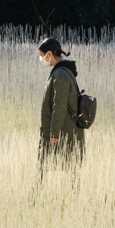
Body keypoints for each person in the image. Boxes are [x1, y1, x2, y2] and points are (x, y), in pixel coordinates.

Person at [38, 36, 85, 167]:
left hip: (63, 134)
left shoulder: (61, 75)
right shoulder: (62, 72)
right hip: (63, 132)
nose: (41, 59)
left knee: (50, 170)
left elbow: (59, 106)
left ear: (50, 54)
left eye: (42, 55)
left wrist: (54, 133)